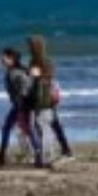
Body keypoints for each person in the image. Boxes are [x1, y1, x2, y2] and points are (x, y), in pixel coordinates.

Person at [0, 47, 47, 169]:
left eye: (4, 57)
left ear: (11, 59)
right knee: (13, 128)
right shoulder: (14, 71)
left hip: (23, 104)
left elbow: (26, 85)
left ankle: (39, 157)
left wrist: (21, 98)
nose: (1, 59)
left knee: (27, 129)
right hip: (20, 104)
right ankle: (2, 154)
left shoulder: (16, 72)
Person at [26, 33, 73, 163]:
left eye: (30, 46)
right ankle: (62, 150)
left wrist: (38, 75)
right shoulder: (33, 61)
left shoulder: (46, 61)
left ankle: (61, 150)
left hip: (47, 95)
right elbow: (31, 76)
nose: (29, 48)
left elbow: (49, 76)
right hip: (38, 95)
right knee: (50, 124)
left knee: (51, 123)